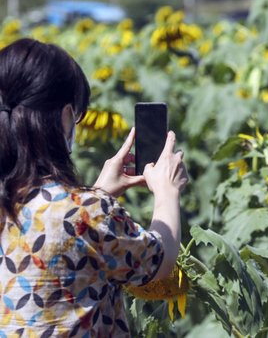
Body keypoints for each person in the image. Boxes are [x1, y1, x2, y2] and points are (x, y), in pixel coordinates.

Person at [0, 38, 188, 336]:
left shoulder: (18, 200)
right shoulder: (86, 213)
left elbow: (54, 227)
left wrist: (97, 195)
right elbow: (158, 261)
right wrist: (168, 191)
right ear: (65, 117)